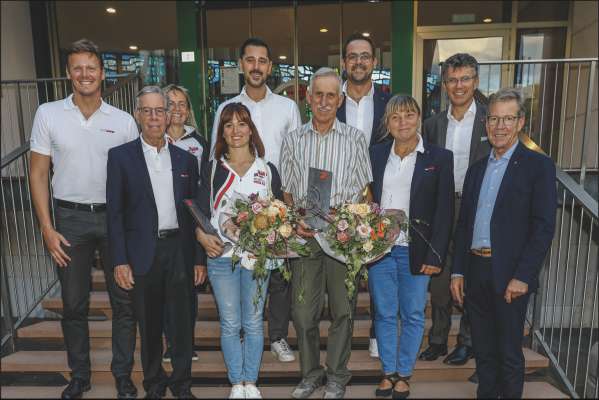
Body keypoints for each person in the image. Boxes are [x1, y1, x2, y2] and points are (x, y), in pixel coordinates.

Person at [29, 38, 138, 399]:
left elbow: (135, 181)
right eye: (77, 68)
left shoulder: (123, 122)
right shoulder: (48, 113)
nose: (85, 74)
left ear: (102, 73)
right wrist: (47, 227)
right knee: (74, 304)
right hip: (69, 219)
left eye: (91, 67)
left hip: (114, 220)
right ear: (68, 73)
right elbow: (38, 173)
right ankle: (80, 375)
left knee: (124, 301)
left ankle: (122, 374)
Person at [451, 88, 557, 398]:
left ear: (520, 121)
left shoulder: (538, 166)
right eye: (494, 118)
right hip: (475, 270)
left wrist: (523, 276)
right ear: (485, 123)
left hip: (511, 275)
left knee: (509, 353)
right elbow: (463, 227)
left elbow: (543, 227)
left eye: (508, 118)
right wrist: (458, 271)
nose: (500, 126)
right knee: (483, 351)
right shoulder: (475, 171)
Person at [279, 67, 373, 399]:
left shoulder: (356, 139)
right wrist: (294, 219)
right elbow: (288, 192)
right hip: (305, 237)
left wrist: (355, 226)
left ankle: (336, 375)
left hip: (342, 238)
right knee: (303, 312)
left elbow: (365, 193)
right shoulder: (292, 139)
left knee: (343, 311)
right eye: (317, 94)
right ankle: (310, 373)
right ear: (307, 97)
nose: (323, 101)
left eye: (330, 95)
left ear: (340, 99)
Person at [210, 37, 302, 363]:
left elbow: (294, 158)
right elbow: (214, 161)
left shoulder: (287, 108)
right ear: (241, 65)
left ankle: (276, 336)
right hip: (235, 214)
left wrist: (288, 208)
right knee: (242, 281)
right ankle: (244, 343)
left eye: (263, 61)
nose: (256, 67)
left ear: (270, 67)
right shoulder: (226, 109)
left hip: (274, 199)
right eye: (250, 60)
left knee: (278, 275)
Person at [107, 86, 201, 399]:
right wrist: (119, 260)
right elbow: (115, 215)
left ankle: (182, 384)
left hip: (179, 250)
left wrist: (199, 258)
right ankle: (154, 384)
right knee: (148, 326)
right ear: (137, 115)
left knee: (182, 324)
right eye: (146, 110)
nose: (153, 117)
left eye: (159, 110)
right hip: (142, 253)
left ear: (168, 114)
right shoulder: (120, 157)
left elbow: (196, 213)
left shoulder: (186, 159)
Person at [369, 95, 454, 399]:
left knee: (414, 313)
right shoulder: (377, 154)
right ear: (388, 123)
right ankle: (388, 373)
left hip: (417, 250)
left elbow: (445, 212)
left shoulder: (440, 157)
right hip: (380, 250)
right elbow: (368, 201)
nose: (402, 122)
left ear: (419, 117)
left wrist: (436, 255)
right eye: (395, 117)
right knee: (385, 314)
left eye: (408, 115)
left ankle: (404, 374)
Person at [196, 102, 283, 399]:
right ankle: (237, 382)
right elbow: (200, 214)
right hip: (222, 258)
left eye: (241, 123)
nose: (236, 130)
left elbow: (281, 213)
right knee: (231, 322)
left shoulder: (267, 170)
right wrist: (201, 235)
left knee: (254, 321)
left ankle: (251, 382)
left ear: (251, 129)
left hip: (259, 260)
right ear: (222, 131)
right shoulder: (212, 170)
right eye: (228, 124)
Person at [420, 53, 491, 366]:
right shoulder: (432, 125)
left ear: (475, 82)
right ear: (444, 84)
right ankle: (438, 339)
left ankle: (467, 341)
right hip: (442, 205)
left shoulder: (492, 120)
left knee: (472, 277)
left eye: (465, 79)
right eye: (452, 80)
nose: (458, 86)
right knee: (439, 279)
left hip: (478, 207)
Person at [337, 33, 392, 358]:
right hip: (340, 200)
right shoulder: (332, 101)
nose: (358, 61)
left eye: (365, 56)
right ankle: (343, 337)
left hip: (378, 199)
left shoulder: (389, 104)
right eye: (352, 56)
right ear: (344, 63)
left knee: (377, 270)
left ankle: (375, 331)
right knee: (344, 274)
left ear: (373, 62)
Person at [161, 84, 209, 363]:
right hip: (162, 225)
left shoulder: (198, 143)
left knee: (188, 289)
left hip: (190, 225)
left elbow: (203, 186)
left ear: (189, 110)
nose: (177, 109)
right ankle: (170, 344)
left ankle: (187, 344)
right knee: (166, 289)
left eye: (182, 104)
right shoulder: (153, 139)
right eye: (171, 103)